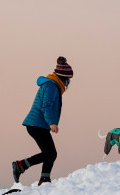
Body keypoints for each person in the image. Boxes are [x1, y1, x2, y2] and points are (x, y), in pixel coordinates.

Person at [11, 56, 73, 186]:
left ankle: (44, 179)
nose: (68, 84)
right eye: (68, 80)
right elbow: (46, 106)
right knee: (50, 153)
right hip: (36, 124)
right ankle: (20, 165)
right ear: (63, 78)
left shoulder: (52, 85)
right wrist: (52, 123)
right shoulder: (51, 86)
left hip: (38, 125)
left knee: (51, 153)